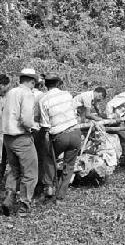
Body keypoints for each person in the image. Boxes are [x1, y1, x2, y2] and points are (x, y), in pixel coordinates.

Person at [0, 68, 38, 216]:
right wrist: (33, 127)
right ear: (32, 81)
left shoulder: (11, 92)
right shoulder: (27, 93)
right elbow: (26, 119)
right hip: (21, 137)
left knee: (14, 170)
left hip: (8, 137)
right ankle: (24, 207)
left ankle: (9, 199)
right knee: (30, 173)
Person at [39, 73, 81, 202]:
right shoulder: (67, 94)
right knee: (69, 165)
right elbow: (74, 113)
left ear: (46, 85)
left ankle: (49, 187)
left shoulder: (43, 100)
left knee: (48, 159)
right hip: (75, 133)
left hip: (59, 136)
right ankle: (61, 195)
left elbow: (45, 125)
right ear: (58, 84)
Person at [32, 74, 48, 196]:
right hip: (37, 129)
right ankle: (38, 186)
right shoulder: (42, 96)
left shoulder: (21, 93)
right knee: (41, 158)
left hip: (23, 130)